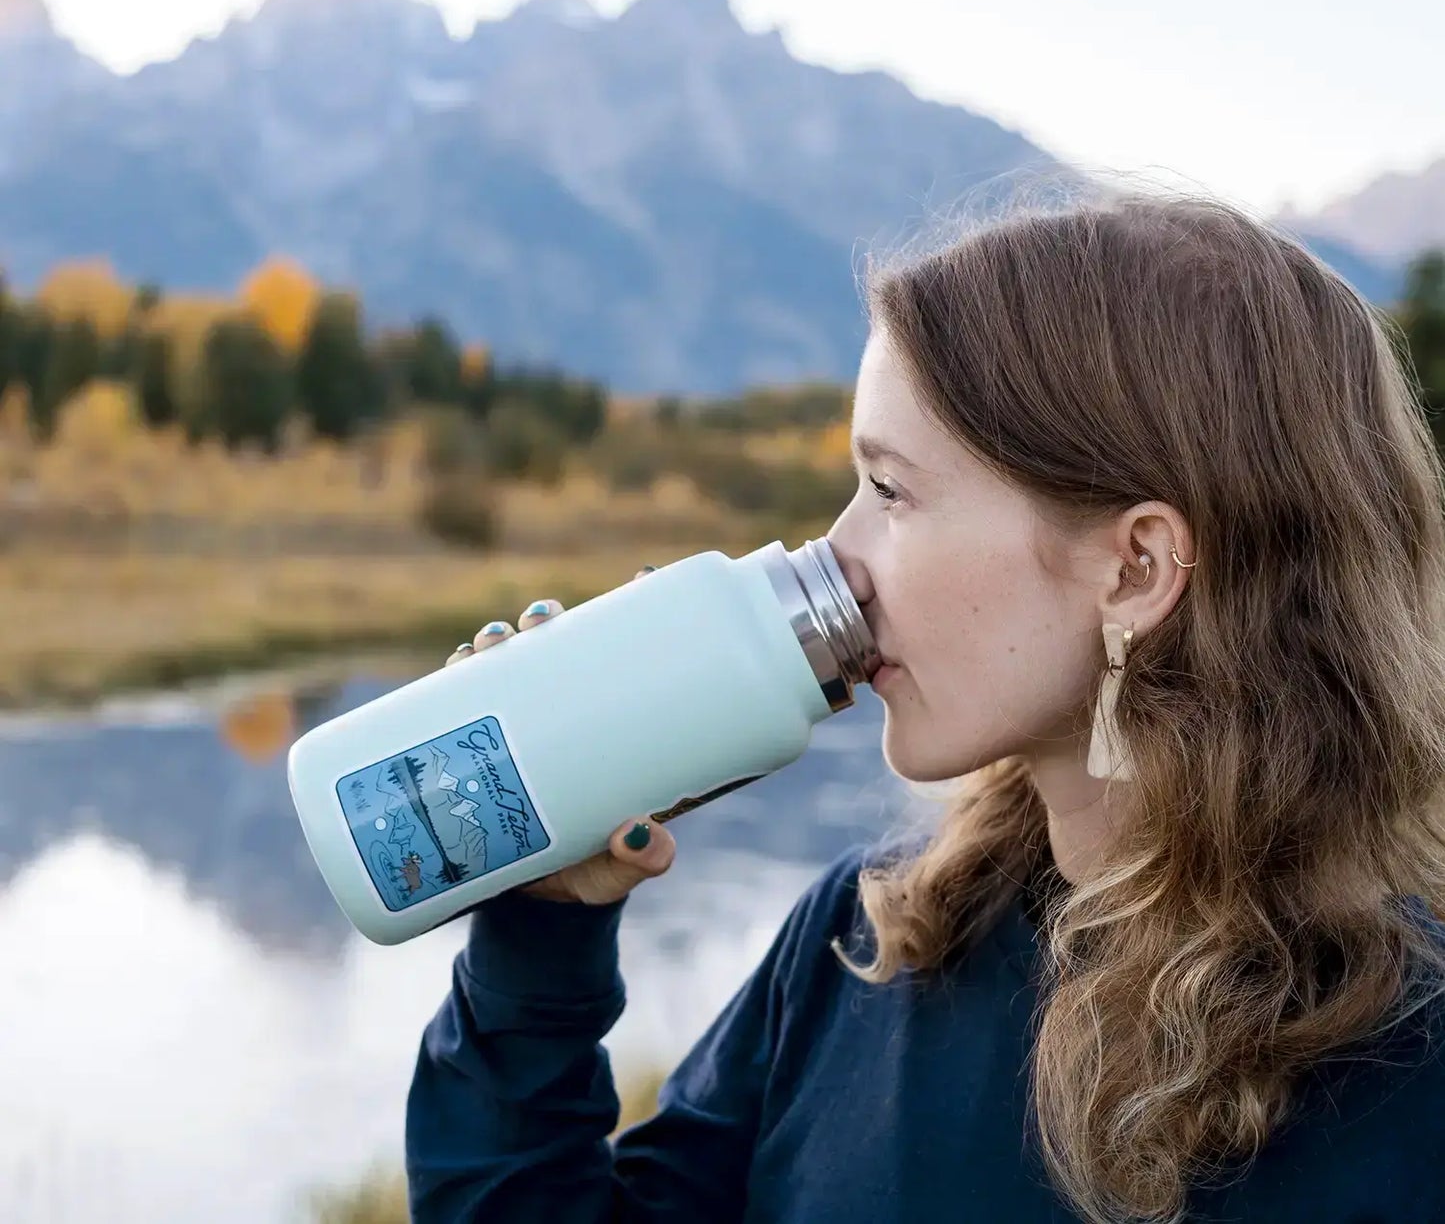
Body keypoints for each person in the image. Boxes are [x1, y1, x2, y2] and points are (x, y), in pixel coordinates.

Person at [405, 188, 1445, 1223]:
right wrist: (541, 931)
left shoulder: (1411, 1075)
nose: (837, 560)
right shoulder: (865, 947)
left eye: (891, 492)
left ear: (1134, 565)